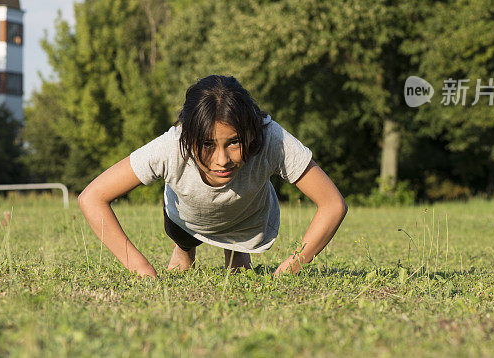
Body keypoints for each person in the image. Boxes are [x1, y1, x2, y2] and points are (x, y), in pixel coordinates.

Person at [77, 75, 348, 277]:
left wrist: (289, 268)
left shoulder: (272, 138)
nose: (221, 160)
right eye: (207, 144)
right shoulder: (170, 146)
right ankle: (185, 249)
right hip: (186, 222)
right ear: (187, 133)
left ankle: (237, 251)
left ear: (253, 132)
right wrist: (141, 268)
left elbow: (333, 204)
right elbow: (92, 198)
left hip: (247, 220)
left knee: (239, 276)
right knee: (183, 248)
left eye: (234, 142)